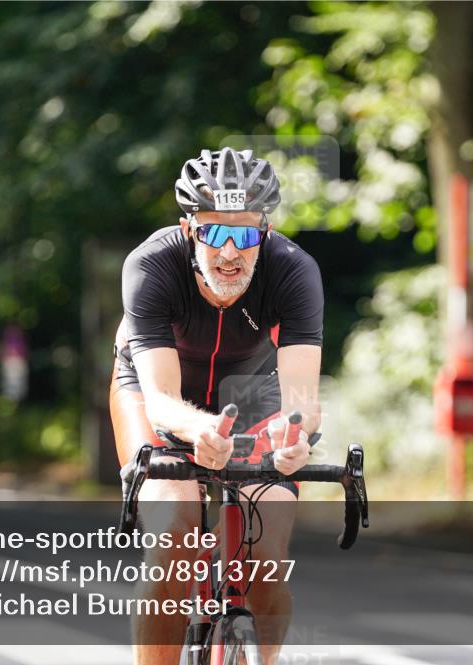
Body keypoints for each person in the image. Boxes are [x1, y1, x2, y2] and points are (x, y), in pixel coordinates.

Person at [110, 147, 324, 665]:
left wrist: (294, 438)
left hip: (252, 394)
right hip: (157, 391)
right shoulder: (151, 265)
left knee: (265, 564)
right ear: (190, 230)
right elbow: (161, 399)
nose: (230, 252)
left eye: (245, 235)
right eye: (215, 233)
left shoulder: (295, 271)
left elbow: (302, 402)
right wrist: (201, 430)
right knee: (177, 535)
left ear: (266, 233)